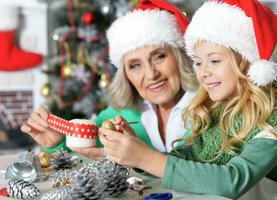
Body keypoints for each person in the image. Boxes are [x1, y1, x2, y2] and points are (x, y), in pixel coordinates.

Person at [100, 0, 277, 199]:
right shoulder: (217, 111)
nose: (203, 73)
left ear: (247, 61)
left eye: (215, 61)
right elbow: (186, 162)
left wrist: (145, 158)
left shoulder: (271, 118)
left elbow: (234, 179)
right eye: (198, 63)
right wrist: (136, 155)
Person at [21, 0, 197, 158]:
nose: (151, 75)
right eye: (135, 65)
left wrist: (141, 159)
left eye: (159, 57)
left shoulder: (211, 107)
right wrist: (56, 144)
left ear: (180, 56)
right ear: (125, 75)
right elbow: (80, 165)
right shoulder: (114, 117)